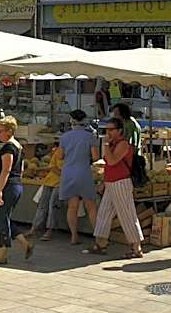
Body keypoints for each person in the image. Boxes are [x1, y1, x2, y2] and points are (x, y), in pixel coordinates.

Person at [86, 117, 144, 258]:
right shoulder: (113, 144)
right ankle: (100, 244)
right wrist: (104, 182)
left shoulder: (123, 144)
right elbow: (108, 166)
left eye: (111, 129)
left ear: (119, 130)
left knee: (127, 215)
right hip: (112, 183)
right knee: (104, 213)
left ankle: (136, 248)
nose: (108, 132)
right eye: (107, 129)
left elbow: (112, 161)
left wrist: (106, 144)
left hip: (120, 183)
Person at [0, 116, 33, 263]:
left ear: (9, 131)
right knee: (4, 217)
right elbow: (21, 169)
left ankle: (3, 252)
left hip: (8, 186)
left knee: (1, 219)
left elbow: (6, 170)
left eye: (0, 131)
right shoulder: (18, 146)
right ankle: (24, 243)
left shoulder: (9, 147)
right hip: (16, 185)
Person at [56, 110, 99, 244]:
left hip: (68, 173)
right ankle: (98, 237)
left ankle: (74, 236)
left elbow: (59, 156)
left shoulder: (65, 137)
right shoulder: (90, 136)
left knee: (72, 206)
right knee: (91, 206)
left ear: (71, 121)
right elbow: (96, 157)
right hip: (84, 172)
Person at [27, 151, 63, 241]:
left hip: (61, 183)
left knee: (53, 205)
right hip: (49, 181)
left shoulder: (73, 155)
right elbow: (52, 166)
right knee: (42, 205)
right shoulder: (58, 152)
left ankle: (49, 230)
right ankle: (34, 228)